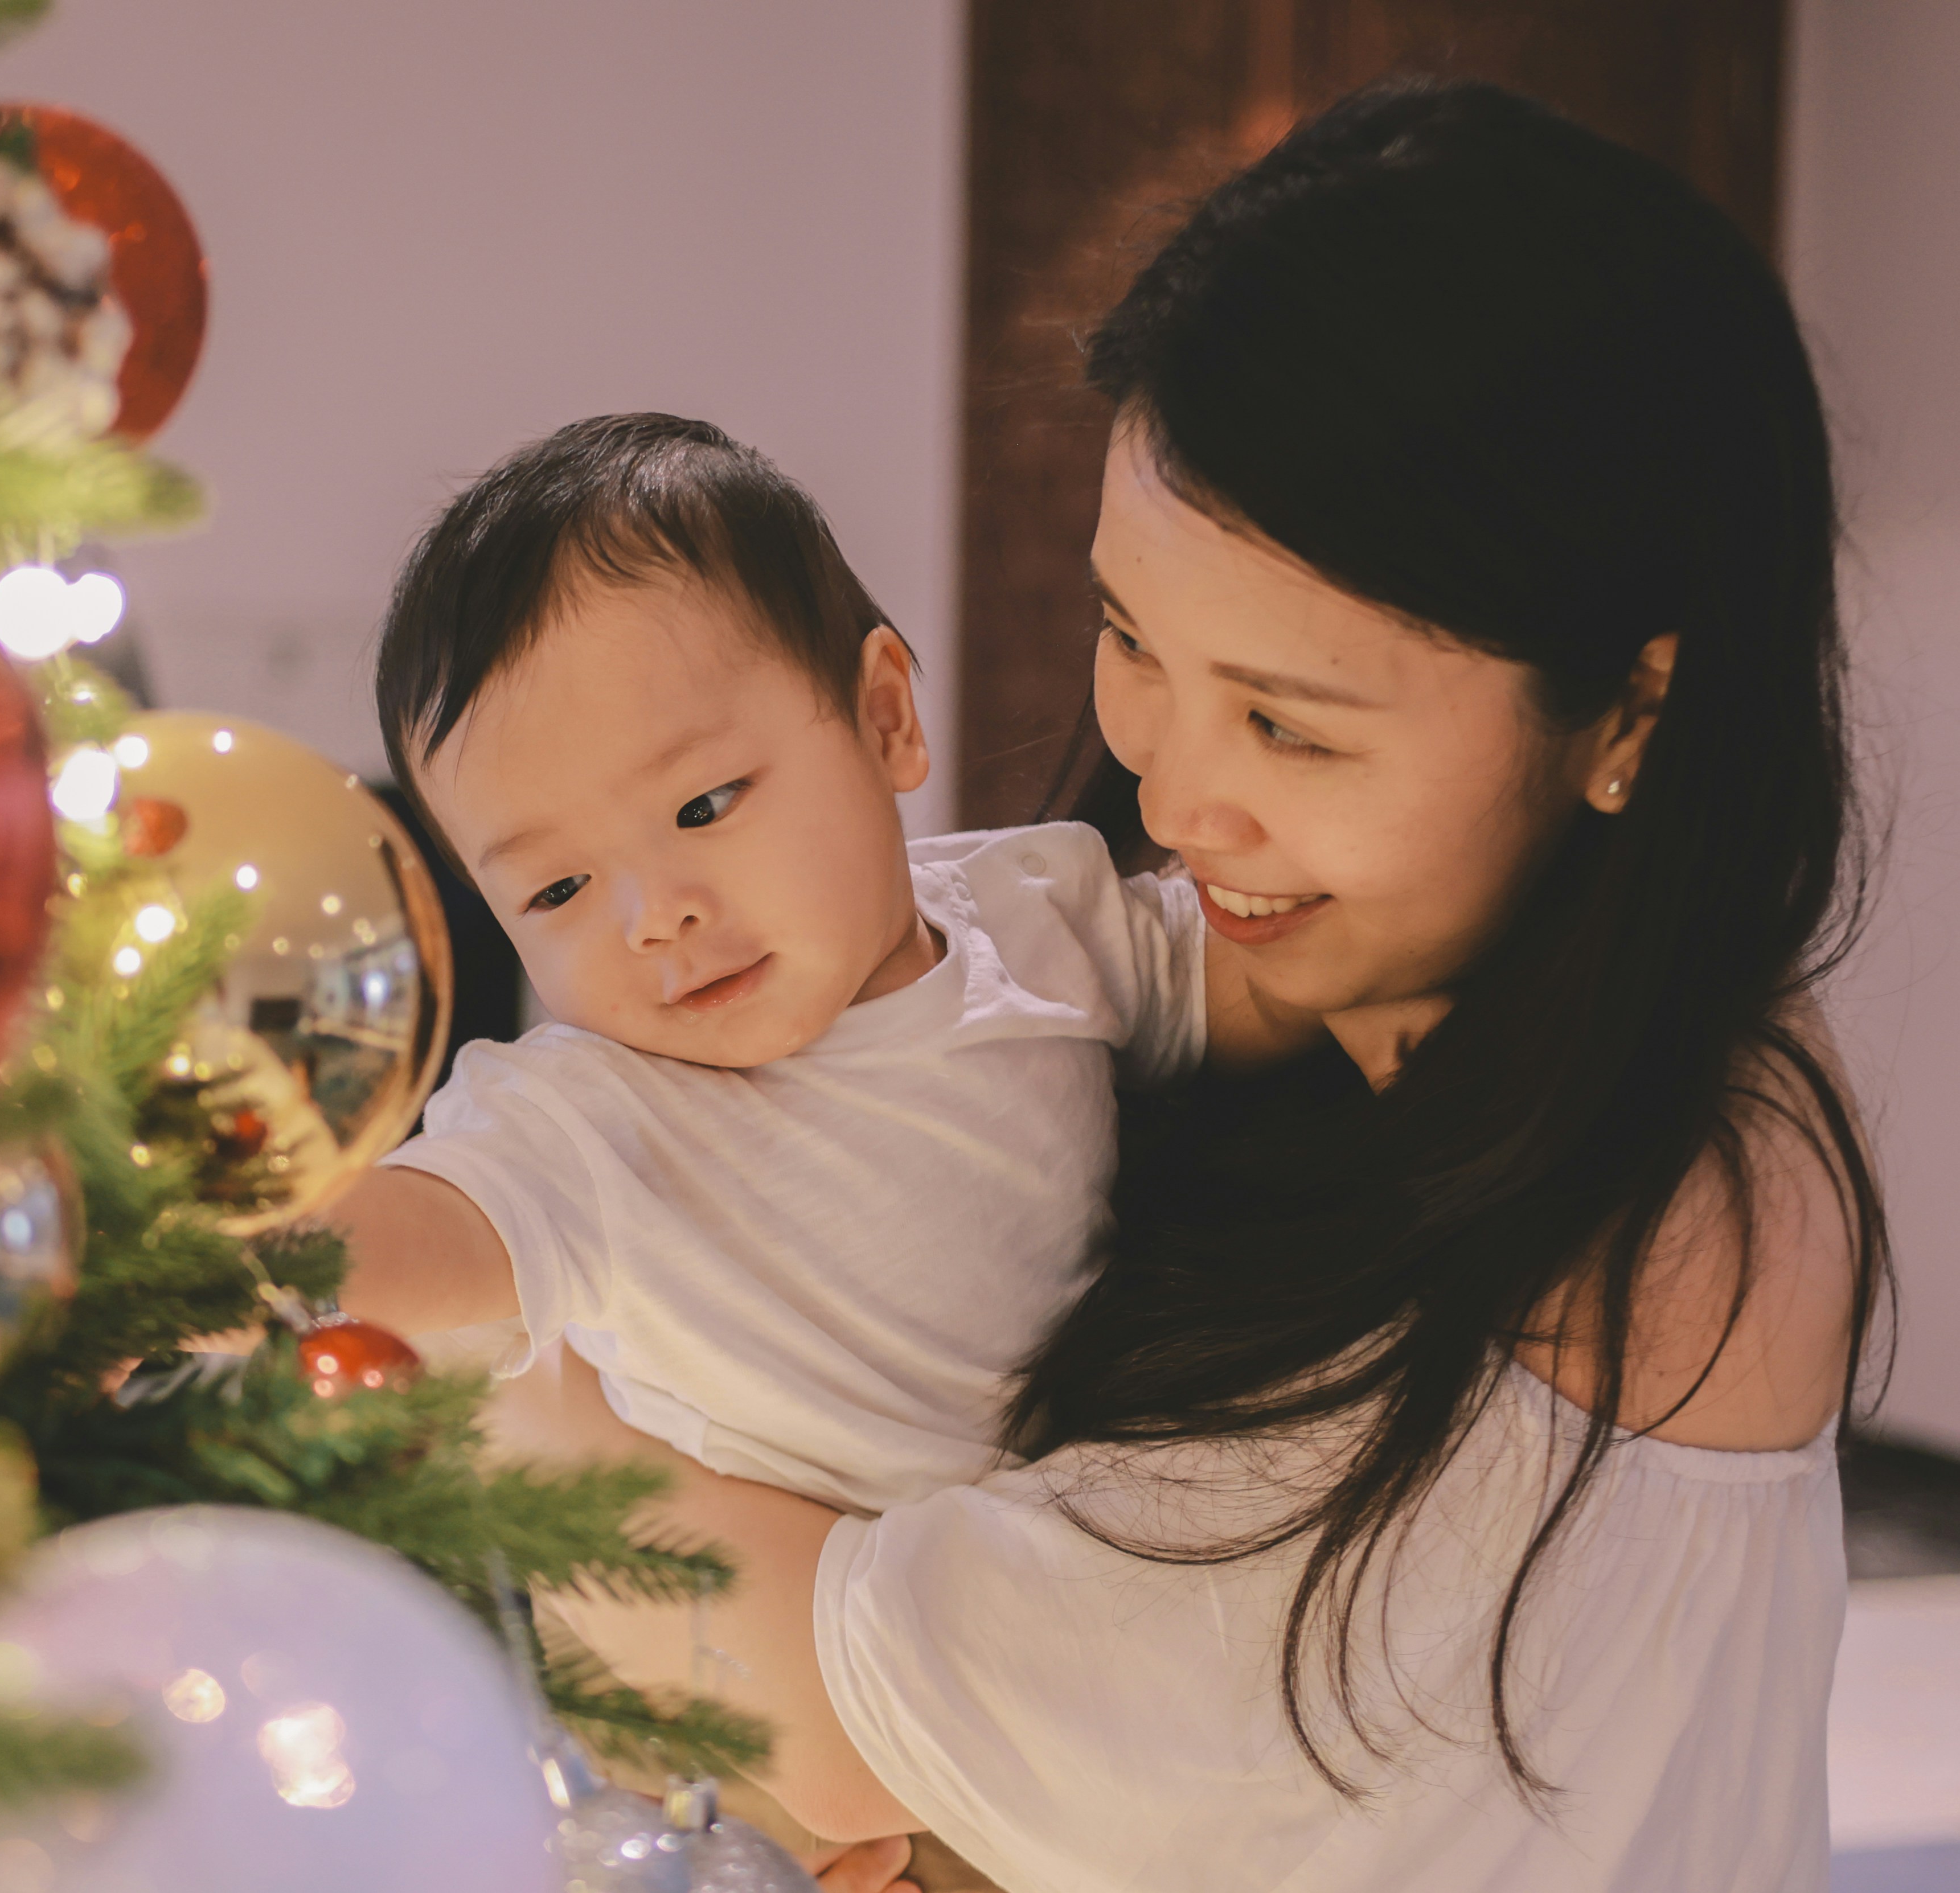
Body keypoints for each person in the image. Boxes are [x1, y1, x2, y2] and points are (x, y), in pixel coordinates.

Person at [497, 79, 1888, 1893]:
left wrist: (517, 1376)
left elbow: (843, 1693)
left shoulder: (1666, 1208)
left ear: (1624, 711)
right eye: (1130, 637)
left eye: (1289, 726)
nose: (1167, 790)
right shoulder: (1308, 1000)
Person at [327, 413, 1287, 1521]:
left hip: (1052, 1561)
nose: (652, 917)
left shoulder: (1033, 914)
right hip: (754, 1638)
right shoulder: (600, 1119)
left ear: (883, 719)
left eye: (701, 806)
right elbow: (413, 1233)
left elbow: (1275, 981)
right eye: (557, 891)